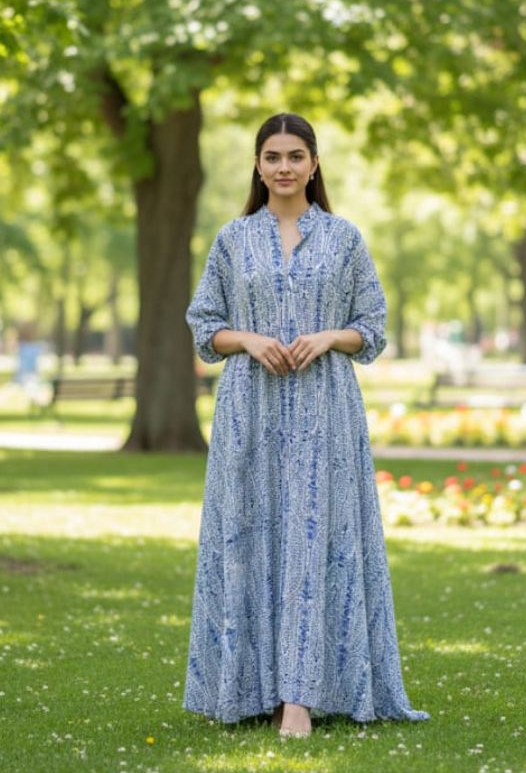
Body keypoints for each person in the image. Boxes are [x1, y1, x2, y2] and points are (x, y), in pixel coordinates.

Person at [183, 112, 430, 737]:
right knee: (252, 540)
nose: (285, 167)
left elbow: (372, 325)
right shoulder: (232, 240)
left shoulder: (344, 238)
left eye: (296, 155)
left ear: (314, 163)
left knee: (317, 540)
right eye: (273, 156)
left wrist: (327, 337)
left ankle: (300, 697)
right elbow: (203, 324)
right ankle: (251, 689)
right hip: (251, 411)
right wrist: (248, 339)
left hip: (325, 409)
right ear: (258, 166)